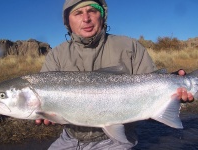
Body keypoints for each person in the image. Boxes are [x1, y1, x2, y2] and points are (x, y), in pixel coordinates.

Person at [36, 0, 194, 149]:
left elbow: (153, 83)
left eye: (92, 11)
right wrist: (45, 115)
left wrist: (178, 86)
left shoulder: (129, 46)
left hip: (115, 140)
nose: (86, 18)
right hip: (70, 138)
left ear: (102, 15)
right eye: (78, 13)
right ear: (67, 21)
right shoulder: (56, 55)